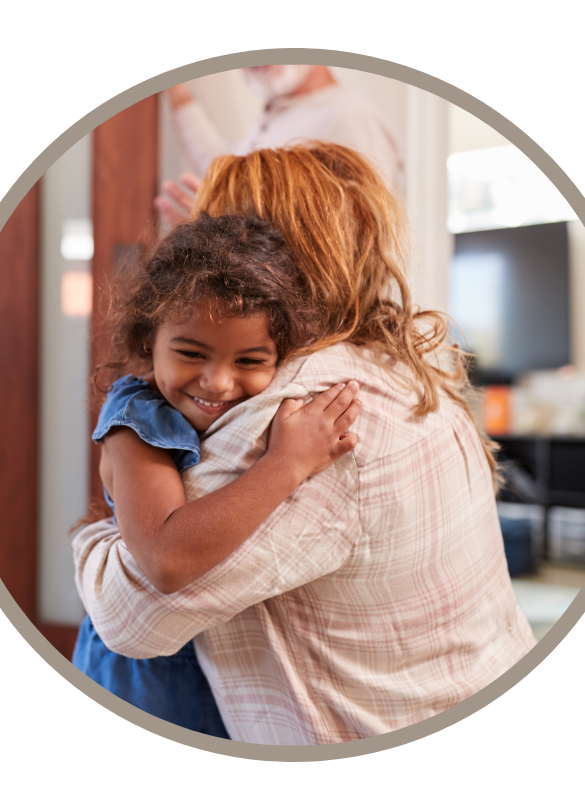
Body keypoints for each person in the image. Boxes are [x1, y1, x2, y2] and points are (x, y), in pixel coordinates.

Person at [73, 142, 536, 745]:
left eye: (225, 229)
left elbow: (127, 615)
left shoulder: (297, 410)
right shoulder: (399, 365)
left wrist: (92, 531)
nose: (218, 380)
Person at [72, 213, 362, 737]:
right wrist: (287, 463)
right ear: (146, 343)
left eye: (250, 360)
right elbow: (166, 556)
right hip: (143, 681)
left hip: (216, 671)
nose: (219, 382)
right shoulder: (137, 422)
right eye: (190, 353)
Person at [156, 64, 402, 228]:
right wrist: (177, 90)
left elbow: (353, 252)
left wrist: (222, 233)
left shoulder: (351, 121)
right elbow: (222, 174)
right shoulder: (281, 116)